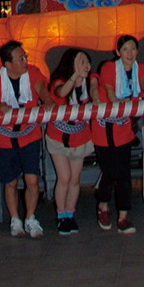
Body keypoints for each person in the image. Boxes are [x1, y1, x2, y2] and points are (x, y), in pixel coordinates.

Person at [0, 41, 47, 239]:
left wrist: (48, 102)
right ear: (7, 64)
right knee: (10, 182)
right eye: (20, 58)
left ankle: (30, 218)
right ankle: (15, 220)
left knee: (32, 179)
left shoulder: (34, 73)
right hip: (4, 137)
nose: (25, 60)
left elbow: (42, 89)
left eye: (25, 56)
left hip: (30, 135)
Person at [90, 35, 144, 234]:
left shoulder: (139, 68)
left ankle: (123, 217)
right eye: (125, 49)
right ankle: (103, 205)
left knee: (124, 173)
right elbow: (108, 89)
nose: (129, 53)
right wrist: (117, 104)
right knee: (110, 171)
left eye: (133, 49)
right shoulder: (109, 67)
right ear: (117, 52)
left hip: (123, 126)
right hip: (104, 126)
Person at [45, 49, 93, 234]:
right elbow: (60, 92)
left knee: (75, 179)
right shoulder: (60, 80)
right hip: (58, 136)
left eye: (87, 61)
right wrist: (74, 78)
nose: (86, 65)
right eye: (81, 61)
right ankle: (60, 215)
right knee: (63, 177)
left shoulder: (89, 82)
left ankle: (70, 214)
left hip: (79, 136)